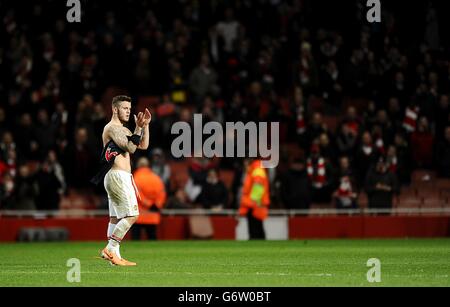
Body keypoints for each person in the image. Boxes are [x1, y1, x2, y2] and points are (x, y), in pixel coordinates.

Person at [91, 95, 151, 266]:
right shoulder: (112, 128)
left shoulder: (124, 130)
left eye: (129, 109)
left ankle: (113, 258)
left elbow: (143, 145)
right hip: (118, 175)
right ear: (115, 109)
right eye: (125, 108)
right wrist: (138, 128)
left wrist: (145, 126)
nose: (128, 111)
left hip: (117, 176)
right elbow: (131, 148)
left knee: (115, 219)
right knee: (132, 215)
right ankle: (110, 248)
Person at [132, 157, 166, 240]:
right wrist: (156, 205)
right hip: (153, 214)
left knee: (135, 240)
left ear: (138, 165)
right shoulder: (156, 178)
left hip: (138, 215)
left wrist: (149, 204)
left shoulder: (135, 177)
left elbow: (137, 194)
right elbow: (162, 193)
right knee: (152, 238)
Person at [239, 158, 270, 240]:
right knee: (256, 229)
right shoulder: (254, 169)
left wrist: (252, 202)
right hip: (254, 204)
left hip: (254, 205)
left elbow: (258, 185)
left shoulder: (257, 169)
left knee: (255, 230)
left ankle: (259, 249)